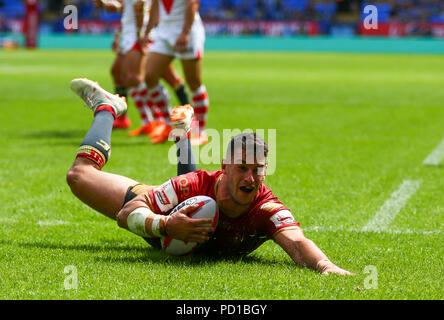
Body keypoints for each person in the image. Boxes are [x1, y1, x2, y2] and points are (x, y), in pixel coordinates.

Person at [66, 78, 352, 275]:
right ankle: (107, 108)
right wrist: (166, 224)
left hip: (189, 200)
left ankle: (181, 133)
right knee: (78, 176)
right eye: (242, 167)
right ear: (224, 166)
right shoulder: (196, 183)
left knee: (200, 200)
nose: (251, 178)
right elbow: (126, 214)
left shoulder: (265, 207)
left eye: (258, 170)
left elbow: (298, 244)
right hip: (166, 214)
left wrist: (327, 267)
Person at [94, 0, 191, 142]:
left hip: (139, 36)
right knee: (130, 77)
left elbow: (139, 7)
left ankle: (161, 120)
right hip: (134, 35)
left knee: (139, 78)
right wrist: (110, 8)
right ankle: (151, 122)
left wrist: (141, 35)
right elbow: (128, 8)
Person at [141, 0, 210, 146]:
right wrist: (147, 32)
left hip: (187, 29)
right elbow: (154, 5)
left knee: (194, 82)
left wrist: (185, 32)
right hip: (164, 31)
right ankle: (168, 125)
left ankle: (200, 131)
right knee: (150, 77)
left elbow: (192, 3)